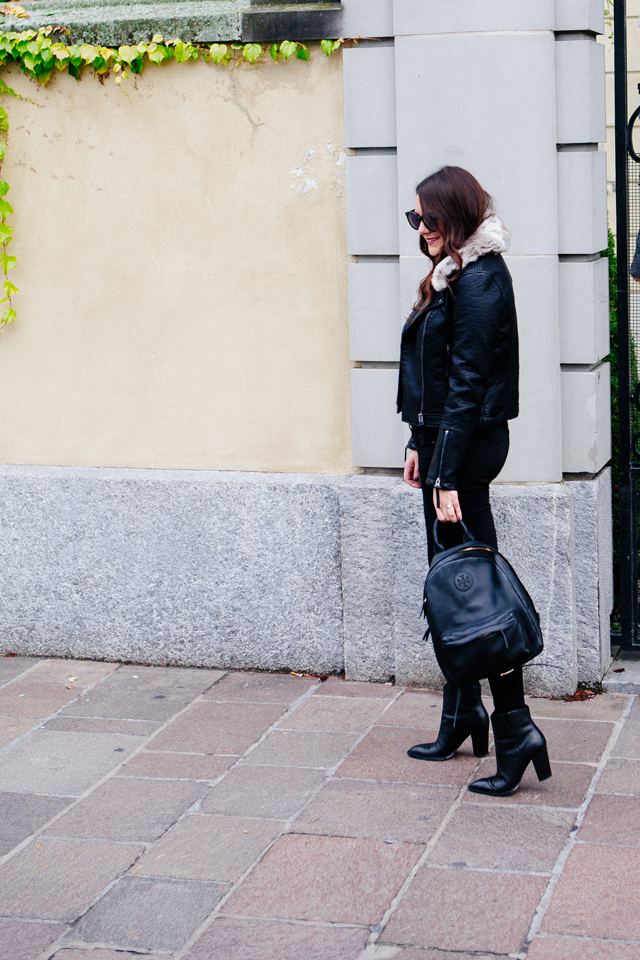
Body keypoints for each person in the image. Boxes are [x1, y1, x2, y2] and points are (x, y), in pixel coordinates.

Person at [397, 166, 551, 797]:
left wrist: (447, 473)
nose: (421, 230)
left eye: (427, 220)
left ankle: (516, 731)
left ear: (455, 217)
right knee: (451, 587)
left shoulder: (483, 281)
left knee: (476, 596)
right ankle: (461, 713)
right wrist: (417, 441)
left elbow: (465, 384)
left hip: (465, 452)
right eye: (415, 220)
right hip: (442, 448)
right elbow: (432, 376)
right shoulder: (453, 274)